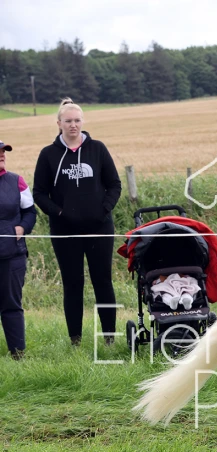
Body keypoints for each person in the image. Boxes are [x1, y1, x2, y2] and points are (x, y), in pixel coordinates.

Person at [32, 98, 122, 346]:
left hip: (99, 228)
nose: (73, 125)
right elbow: (39, 193)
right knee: (72, 283)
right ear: (59, 123)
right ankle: (75, 340)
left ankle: (109, 338)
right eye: (68, 121)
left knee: (102, 281)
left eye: (77, 120)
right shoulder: (48, 154)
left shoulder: (98, 149)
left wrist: (103, 210)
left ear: (83, 122)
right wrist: (60, 214)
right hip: (65, 231)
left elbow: (114, 185)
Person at [0, 139, 36, 359]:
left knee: (12, 304)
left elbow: (30, 212)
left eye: (3, 152)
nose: (2, 155)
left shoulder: (17, 182)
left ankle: (17, 353)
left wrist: (22, 227)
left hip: (12, 254)